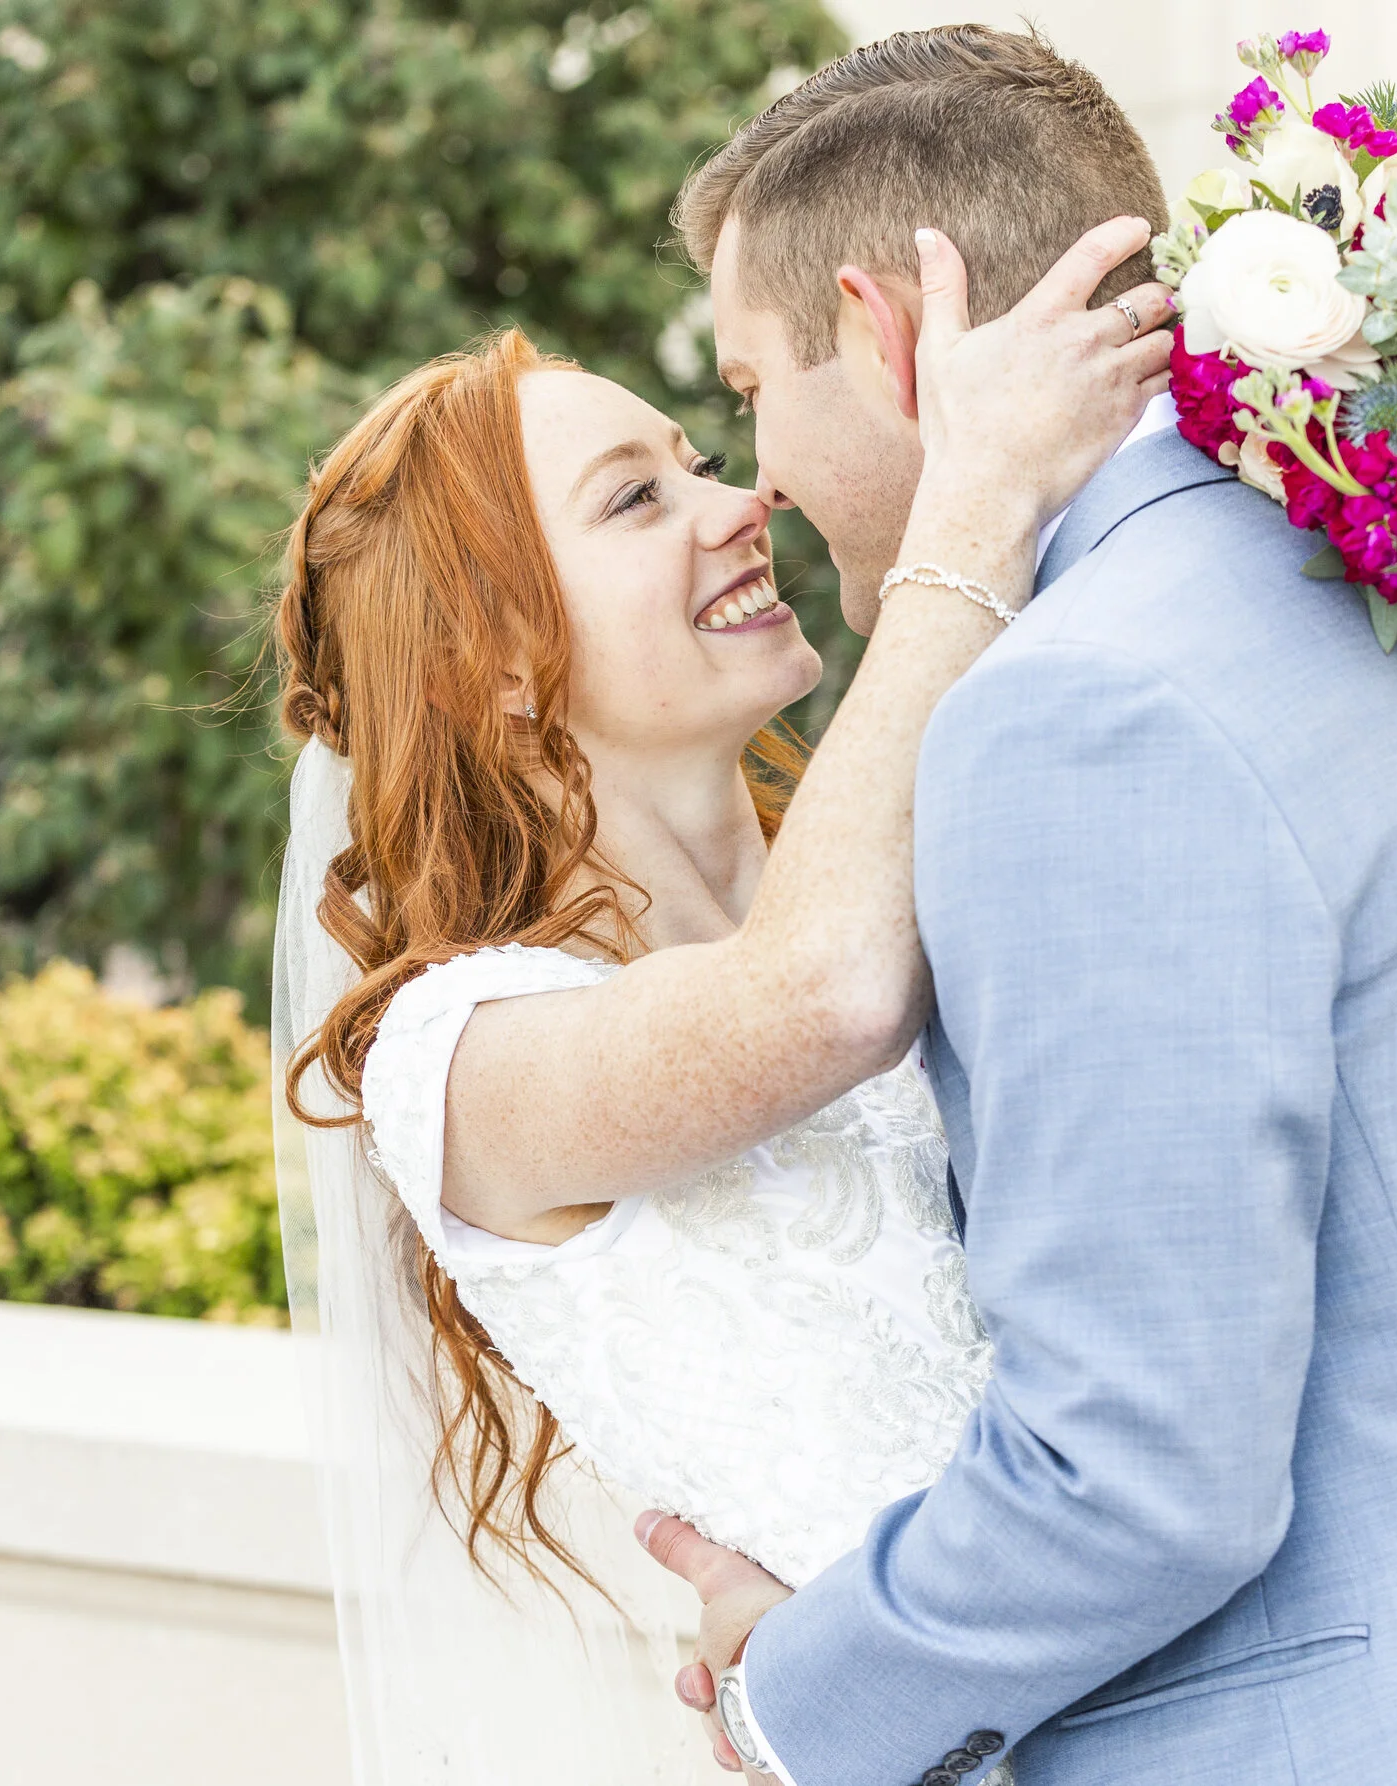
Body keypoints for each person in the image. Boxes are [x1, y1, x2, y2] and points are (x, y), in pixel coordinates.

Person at [631, 25, 1397, 1786]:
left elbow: (1141, 1475)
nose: (760, 475)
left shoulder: (1081, 714)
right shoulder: (1391, 603)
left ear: (890, 336)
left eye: (752, 387)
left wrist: (796, 1696)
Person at [267, 78, 1175, 1786]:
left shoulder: (902, 836)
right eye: (634, 501)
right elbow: (820, 996)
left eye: (699, 453)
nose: (734, 499)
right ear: (501, 666)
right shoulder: (458, 1054)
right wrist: (972, 502)